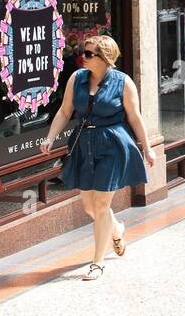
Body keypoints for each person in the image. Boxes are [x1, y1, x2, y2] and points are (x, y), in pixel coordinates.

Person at [45, 35, 155, 281]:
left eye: (88, 54)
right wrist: (50, 137)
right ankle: (116, 230)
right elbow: (65, 111)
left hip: (112, 145)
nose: (82, 57)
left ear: (105, 58)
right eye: (83, 52)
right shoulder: (77, 79)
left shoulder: (123, 83)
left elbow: (135, 117)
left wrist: (147, 148)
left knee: (102, 205)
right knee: (89, 206)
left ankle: (97, 262)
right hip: (84, 144)